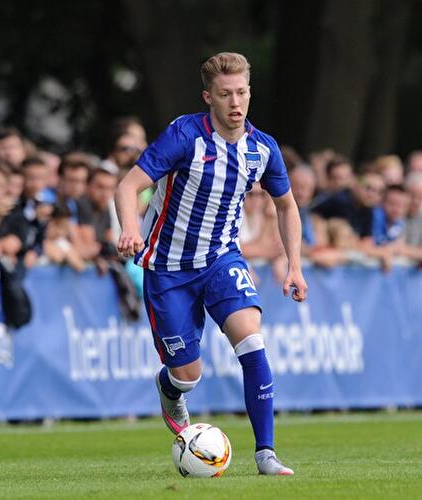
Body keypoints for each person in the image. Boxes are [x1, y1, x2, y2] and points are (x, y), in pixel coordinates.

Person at [115, 52, 306, 476]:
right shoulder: (184, 136)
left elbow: (287, 207)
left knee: (252, 342)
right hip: (168, 268)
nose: (235, 102)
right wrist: (130, 228)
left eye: (241, 92)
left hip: (222, 259)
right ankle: (171, 388)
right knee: (187, 374)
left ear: (250, 92)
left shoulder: (262, 149)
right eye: (225, 94)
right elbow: (129, 186)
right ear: (209, 97)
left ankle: (266, 454)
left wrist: (294, 265)